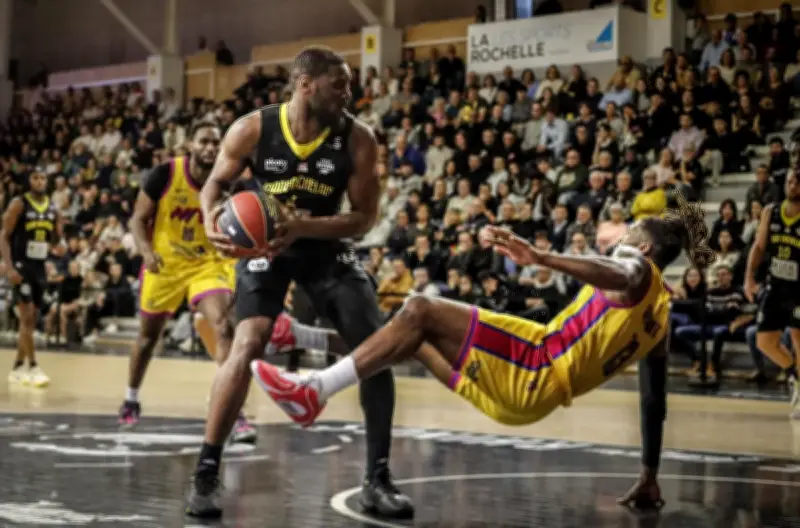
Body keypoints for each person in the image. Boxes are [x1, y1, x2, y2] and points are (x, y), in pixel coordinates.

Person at [252, 192, 716, 510]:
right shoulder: (660, 322)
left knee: (419, 308)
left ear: (645, 245)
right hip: (528, 402)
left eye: (628, 232)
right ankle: (302, 339)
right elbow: (654, 402)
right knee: (408, 335)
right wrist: (650, 474)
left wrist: (543, 258)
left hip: (534, 362)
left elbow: (621, 272)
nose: (619, 239)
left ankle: (313, 390)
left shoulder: (635, 267)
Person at [185, 46, 414, 519]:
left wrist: (303, 226)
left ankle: (377, 478)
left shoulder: (358, 139)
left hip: (325, 245)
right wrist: (211, 218)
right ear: (305, 84)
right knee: (246, 343)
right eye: (340, 84)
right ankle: (206, 473)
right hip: (266, 249)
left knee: (375, 348)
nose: (350, 92)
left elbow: (365, 218)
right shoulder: (253, 128)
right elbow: (213, 184)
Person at [118, 122, 256, 443]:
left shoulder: (229, 180)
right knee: (147, 338)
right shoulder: (164, 175)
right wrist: (146, 251)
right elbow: (138, 219)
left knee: (223, 327)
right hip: (165, 263)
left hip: (207, 264)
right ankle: (131, 397)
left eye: (215, 142)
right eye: (204, 141)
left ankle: (235, 415)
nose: (210, 147)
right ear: (190, 144)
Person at [744, 167, 800, 418]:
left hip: (799, 289)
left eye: (797, 181)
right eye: (789, 181)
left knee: (799, 340)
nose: (792, 185)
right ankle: (795, 375)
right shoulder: (771, 211)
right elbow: (758, 246)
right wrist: (749, 277)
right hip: (776, 285)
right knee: (764, 341)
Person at [1, 170, 61, 387]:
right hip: (21, 266)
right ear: (29, 181)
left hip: (39, 267)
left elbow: (55, 238)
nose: (40, 181)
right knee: (26, 318)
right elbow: (4, 236)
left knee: (32, 318)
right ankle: (33, 366)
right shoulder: (19, 203)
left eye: (43, 177)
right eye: (36, 177)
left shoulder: (52, 207)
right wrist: (8, 267)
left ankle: (17, 367)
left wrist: (58, 245)